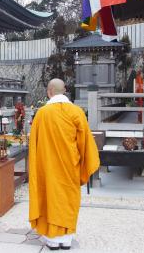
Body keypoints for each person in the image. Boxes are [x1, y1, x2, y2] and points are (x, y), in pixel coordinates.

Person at [29, 78, 100, 250]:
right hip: (70, 168)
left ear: (49, 91)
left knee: (50, 198)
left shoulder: (42, 113)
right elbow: (86, 145)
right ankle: (66, 239)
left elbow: (34, 145)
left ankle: (52, 239)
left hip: (48, 168)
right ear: (65, 90)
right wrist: (84, 167)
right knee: (67, 200)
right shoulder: (76, 112)